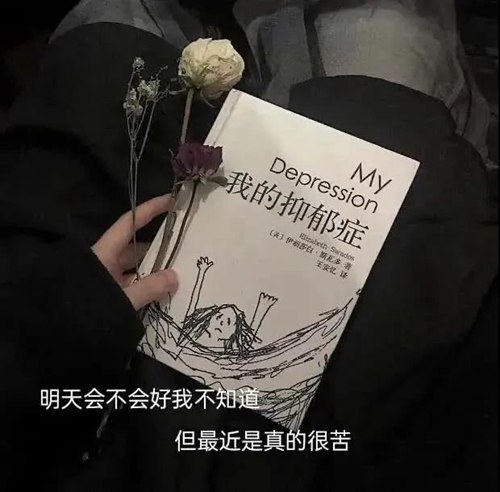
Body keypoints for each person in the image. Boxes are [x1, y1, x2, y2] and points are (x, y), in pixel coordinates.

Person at [0, 1, 497, 492]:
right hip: (355, 407)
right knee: (381, 28)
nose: (222, 325)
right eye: (227, 325)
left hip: (71, 363)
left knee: (116, 29)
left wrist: (68, 332)